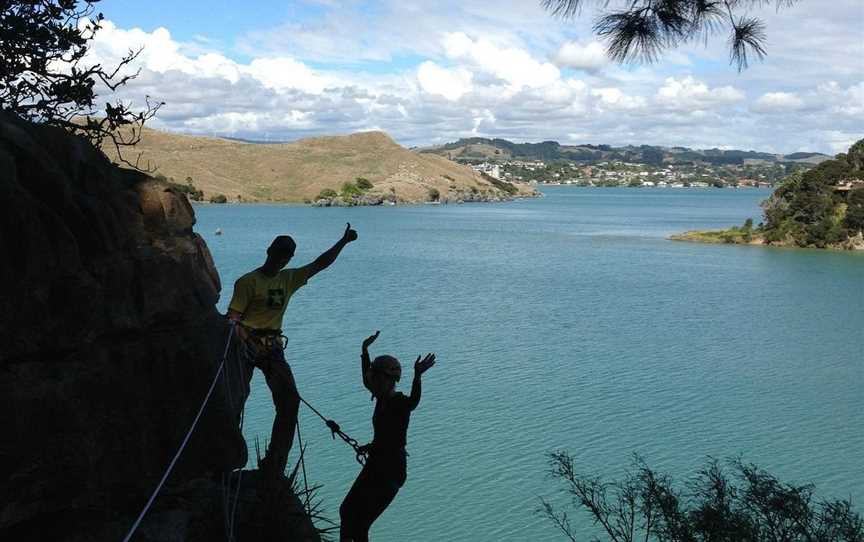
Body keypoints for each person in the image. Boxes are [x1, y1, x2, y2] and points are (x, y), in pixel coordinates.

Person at [227, 223, 358, 481]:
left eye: (285, 256)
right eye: (278, 254)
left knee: (290, 401)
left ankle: (274, 465)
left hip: (273, 348)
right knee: (235, 400)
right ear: (269, 251)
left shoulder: (289, 278)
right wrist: (248, 340)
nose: (280, 259)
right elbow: (232, 319)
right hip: (245, 346)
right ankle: (225, 456)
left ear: (289, 258)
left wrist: (343, 242)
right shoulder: (247, 282)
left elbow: (321, 264)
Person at [339, 330, 436, 541]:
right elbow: (366, 379)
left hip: (391, 469)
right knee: (347, 513)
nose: (371, 381)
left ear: (388, 380)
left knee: (360, 522)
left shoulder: (399, 404)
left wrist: (417, 375)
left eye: (375, 377)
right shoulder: (381, 396)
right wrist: (364, 351)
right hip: (378, 464)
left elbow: (414, 403)